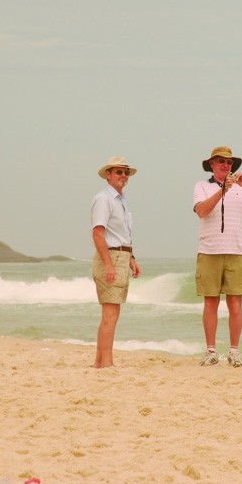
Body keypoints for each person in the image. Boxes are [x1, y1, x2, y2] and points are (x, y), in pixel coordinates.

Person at [193, 146, 242, 367]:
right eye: (220, 162)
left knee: (236, 303)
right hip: (209, 251)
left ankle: (234, 352)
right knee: (210, 303)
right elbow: (202, 211)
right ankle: (211, 351)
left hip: (238, 250)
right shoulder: (201, 187)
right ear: (212, 165)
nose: (226, 165)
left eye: (229, 162)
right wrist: (222, 191)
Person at [90, 156, 141, 368]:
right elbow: (98, 234)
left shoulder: (121, 200)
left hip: (121, 256)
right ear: (108, 175)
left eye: (125, 172)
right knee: (110, 314)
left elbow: (120, 234)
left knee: (112, 313)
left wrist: (131, 258)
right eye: (118, 172)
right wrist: (109, 264)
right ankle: (106, 363)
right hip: (110, 257)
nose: (122, 176)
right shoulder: (104, 199)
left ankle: (100, 362)